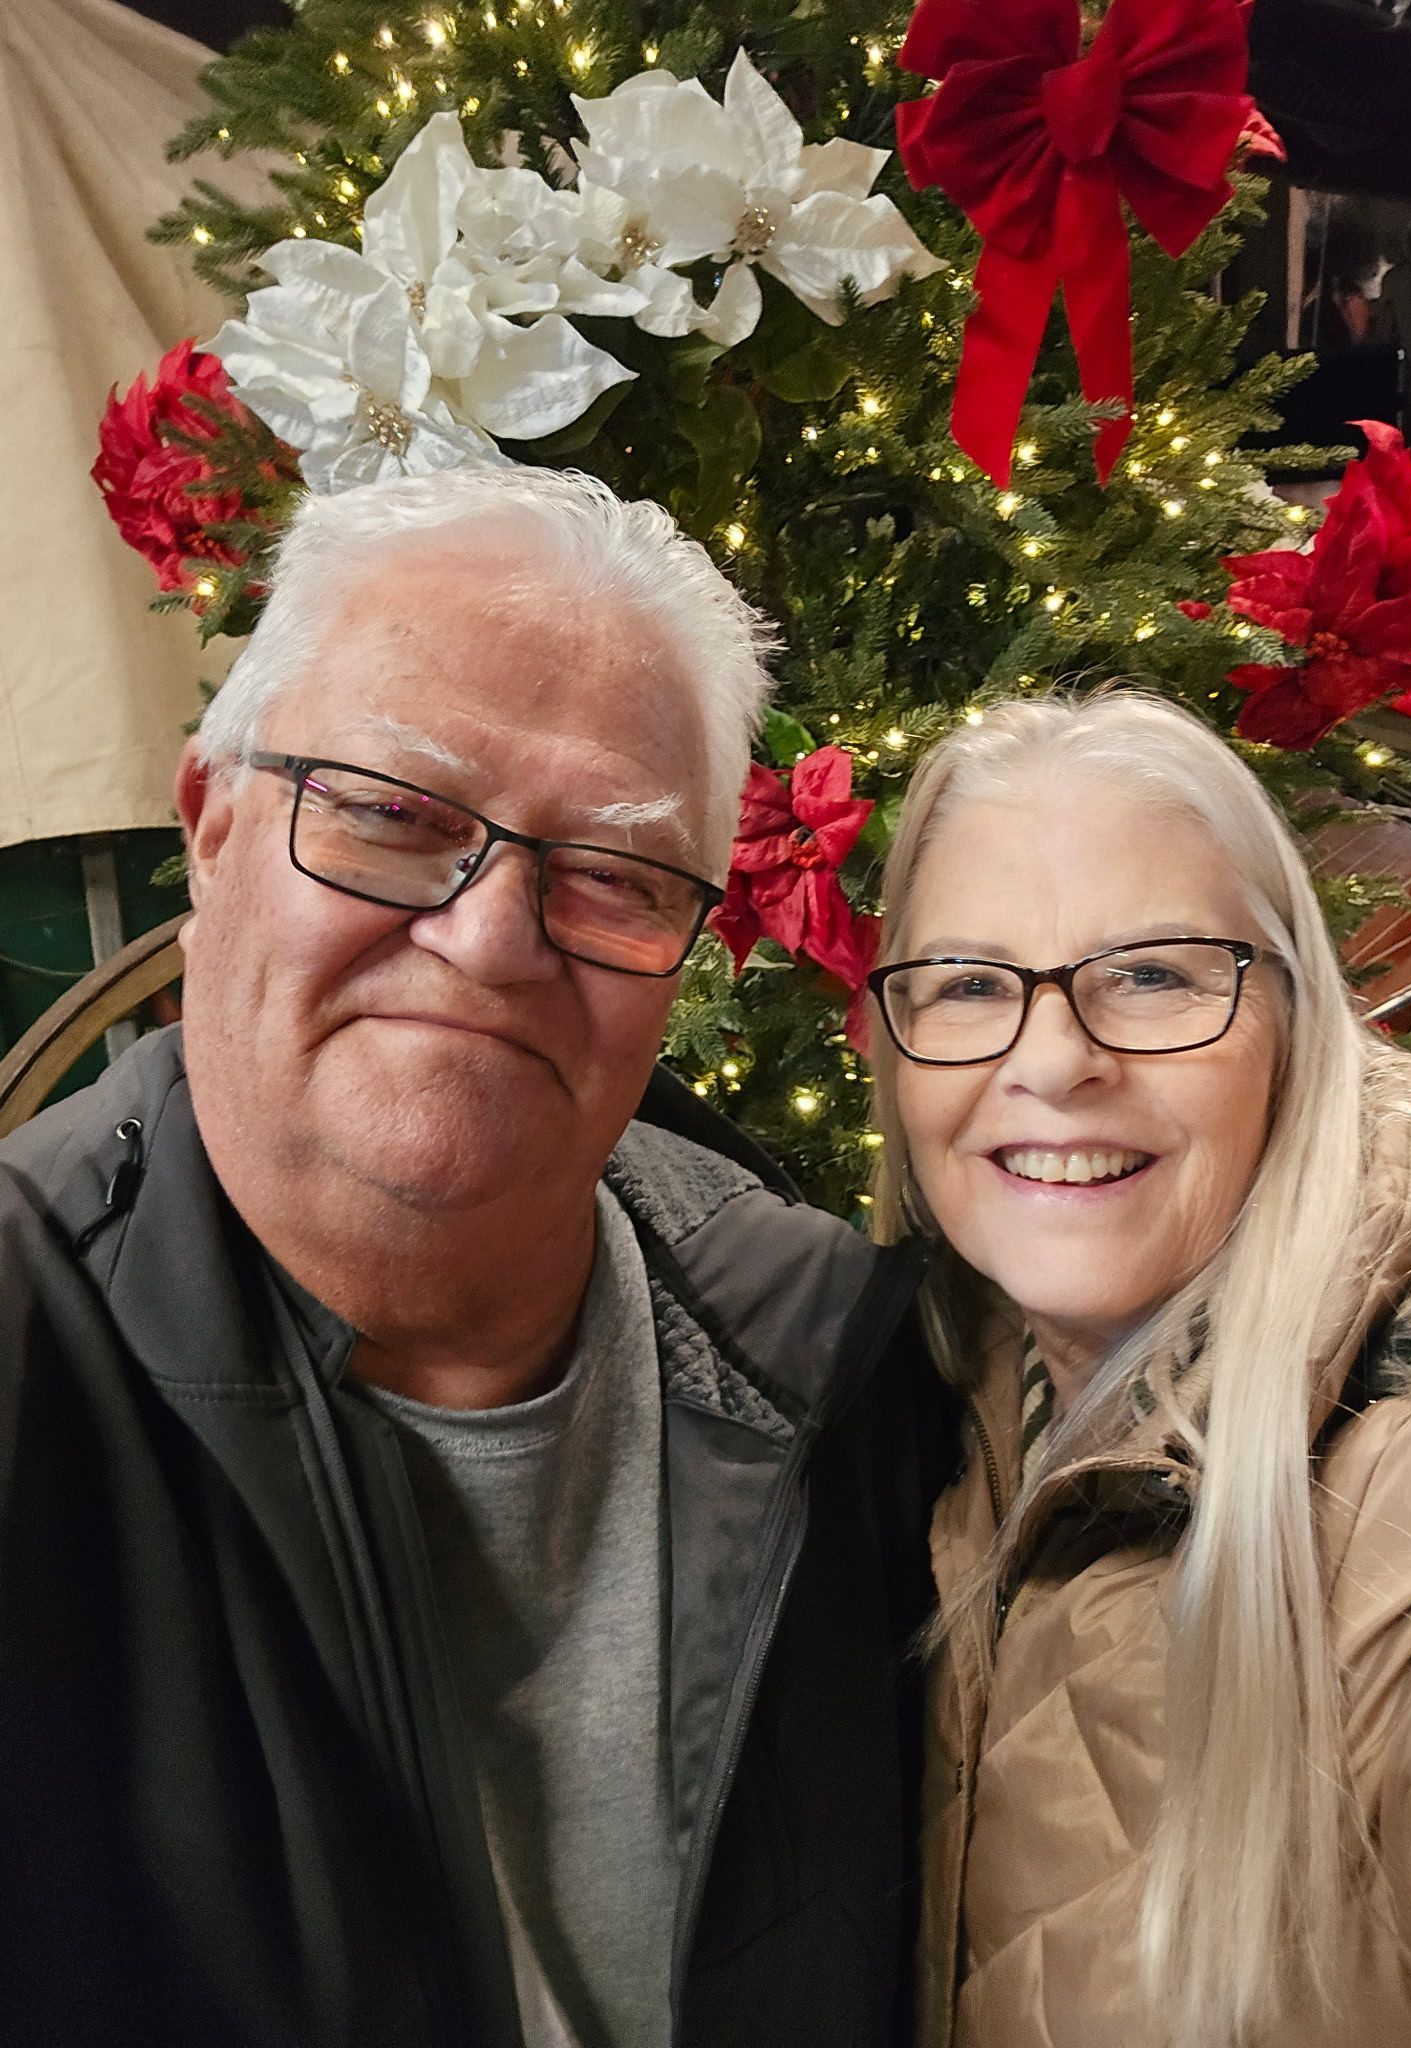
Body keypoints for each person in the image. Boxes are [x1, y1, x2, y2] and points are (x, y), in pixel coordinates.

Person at [0, 466, 951, 2048]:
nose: (494, 936)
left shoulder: (839, 1365)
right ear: (212, 826)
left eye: (617, 875)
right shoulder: (31, 1353)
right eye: (387, 813)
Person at [865, 692, 1411, 2048]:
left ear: (1293, 1017)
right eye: (973, 985)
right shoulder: (956, 1351)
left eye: (1157, 974)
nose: (1052, 1061)